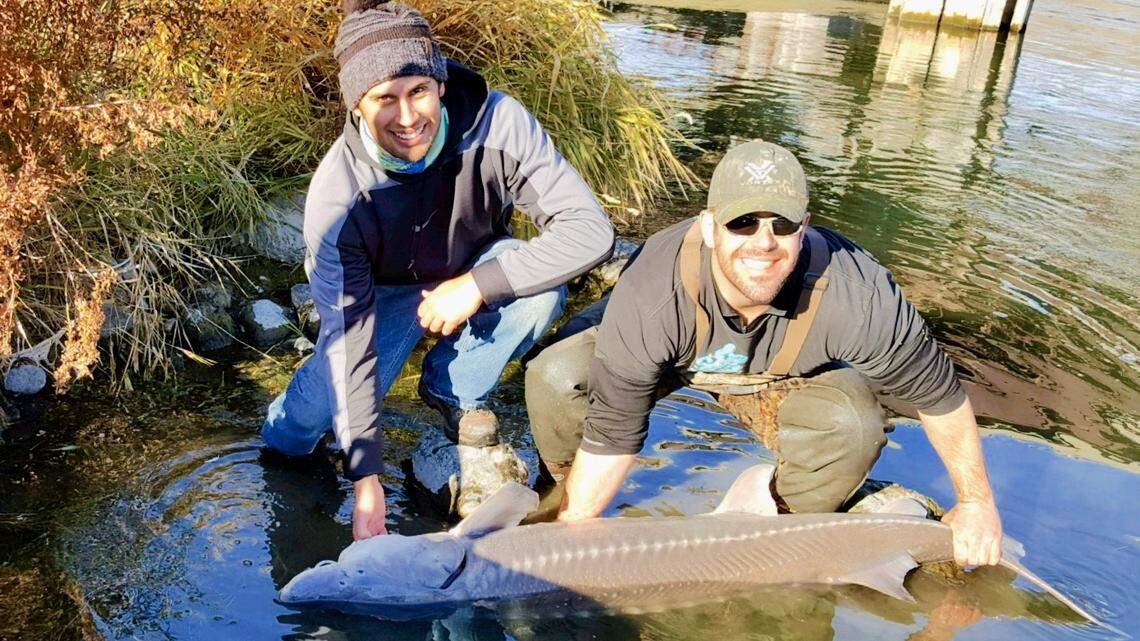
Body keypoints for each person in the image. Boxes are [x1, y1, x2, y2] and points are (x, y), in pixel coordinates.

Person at [525, 140, 1003, 567]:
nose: (764, 243)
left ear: (804, 228)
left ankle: (776, 519)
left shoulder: (859, 295)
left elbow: (940, 397)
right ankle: (564, 488)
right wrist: (571, 541)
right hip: (673, 360)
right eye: (743, 222)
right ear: (709, 227)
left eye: (783, 224)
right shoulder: (652, 292)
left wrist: (976, 504)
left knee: (853, 426)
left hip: (781, 376)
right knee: (558, 374)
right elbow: (613, 430)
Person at [262, 0, 613, 541]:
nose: (407, 118)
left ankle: (454, 391)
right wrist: (366, 478)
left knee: (541, 292)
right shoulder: (337, 197)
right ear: (356, 105)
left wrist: (477, 285)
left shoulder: (499, 123)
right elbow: (350, 343)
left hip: (472, 269)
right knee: (298, 434)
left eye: (419, 91)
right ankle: (286, 425)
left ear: (441, 84)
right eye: (385, 99)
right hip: (381, 296)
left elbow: (590, 232)